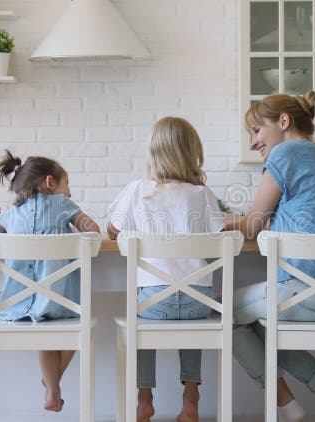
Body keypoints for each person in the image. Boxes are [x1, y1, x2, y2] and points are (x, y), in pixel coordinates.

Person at [225, 91, 315, 422]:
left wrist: (220, 221)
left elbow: (254, 225)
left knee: (222, 311)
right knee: (257, 319)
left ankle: (286, 405)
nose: (254, 142)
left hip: (307, 293)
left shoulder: (285, 154)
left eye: (257, 131)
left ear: (283, 122)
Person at [107, 116, 225, 422]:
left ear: (153, 153)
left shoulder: (137, 190)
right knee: (191, 296)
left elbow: (112, 229)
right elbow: (220, 233)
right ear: (191, 153)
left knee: (140, 309)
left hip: (153, 304)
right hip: (200, 302)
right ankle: (191, 397)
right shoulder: (202, 194)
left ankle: (144, 399)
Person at [0, 150, 100, 413]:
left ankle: (52, 387)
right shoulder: (64, 206)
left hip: (19, 306)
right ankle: (52, 384)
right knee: (75, 320)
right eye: (66, 184)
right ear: (50, 182)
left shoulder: (12, 213)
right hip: (61, 304)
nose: (68, 193)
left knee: (42, 324)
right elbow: (93, 230)